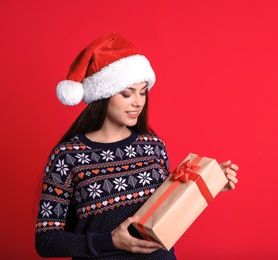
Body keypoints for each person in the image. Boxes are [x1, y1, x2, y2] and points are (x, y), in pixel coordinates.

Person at [35, 32, 239, 259]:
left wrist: (208, 185)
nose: (138, 102)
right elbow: (47, 240)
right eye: (126, 93)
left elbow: (163, 214)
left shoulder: (153, 146)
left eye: (143, 92)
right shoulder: (66, 156)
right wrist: (108, 241)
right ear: (103, 95)